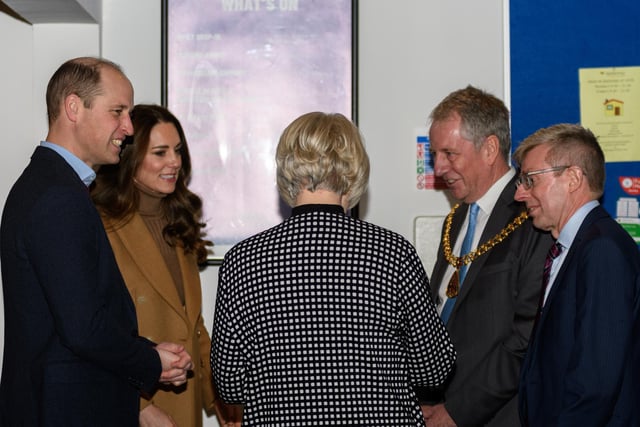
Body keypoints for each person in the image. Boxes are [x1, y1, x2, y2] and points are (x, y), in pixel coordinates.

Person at [210, 111, 456, 426]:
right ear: (355, 171)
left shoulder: (243, 261)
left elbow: (229, 383)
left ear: (286, 171)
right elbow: (433, 367)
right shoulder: (393, 253)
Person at [0, 57, 192, 426]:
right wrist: (150, 362)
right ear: (73, 107)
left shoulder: (54, 186)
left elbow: (78, 317)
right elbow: (83, 328)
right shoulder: (57, 196)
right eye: (117, 112)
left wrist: (147, 351)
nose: (129, 127)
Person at [91, 104, 242, 427]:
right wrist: (139, 406)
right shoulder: (99, 227)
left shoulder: (179, 222)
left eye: (177, 151)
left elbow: (192, 325)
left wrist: (221, 398)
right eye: (160, 152)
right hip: (131, 403)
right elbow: (92, 334)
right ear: (129, 159)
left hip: (182, 404)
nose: (174, 162)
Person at [417, 85, 553, 426]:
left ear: (490, 148)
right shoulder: (457, 219)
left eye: (449, 153)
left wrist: (458, 411)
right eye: (436, 154)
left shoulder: (531, 216)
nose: (439, 167)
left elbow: (526, 340)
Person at [514, 123, 640, 426]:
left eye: (530, 180)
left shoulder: (602, 250)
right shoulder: (574, 246)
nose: (520, 193)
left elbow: (595, 381)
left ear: (572, 178)